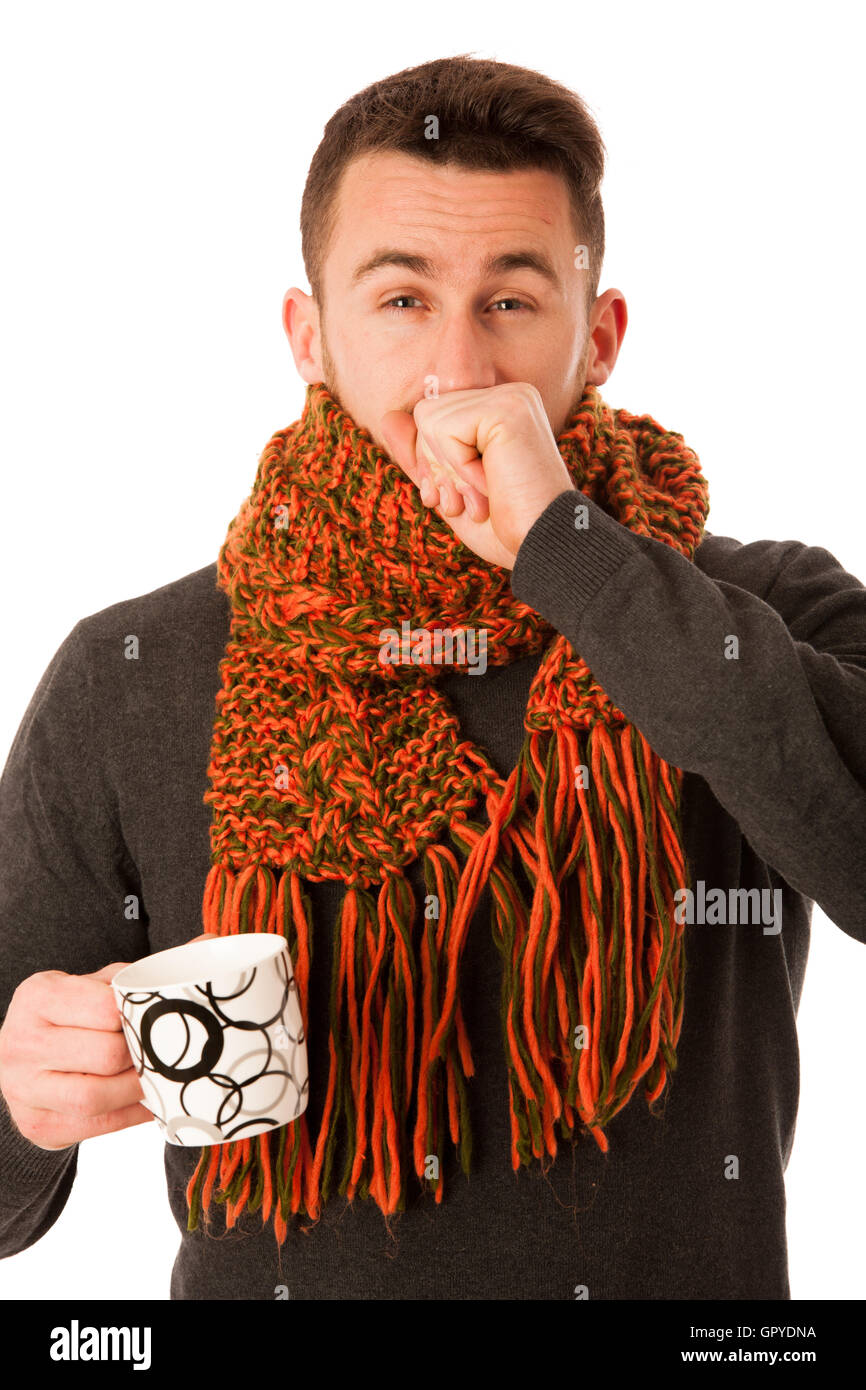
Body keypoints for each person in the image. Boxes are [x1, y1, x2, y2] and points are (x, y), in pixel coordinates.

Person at [1, 53, 864, 1302]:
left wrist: (569, 551)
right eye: (400, 300)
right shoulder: (134, 670)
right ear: (310, 336)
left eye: (511, 301)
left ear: (599, 335)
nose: (456, 369)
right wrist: (25, 1093)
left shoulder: (763, 615)